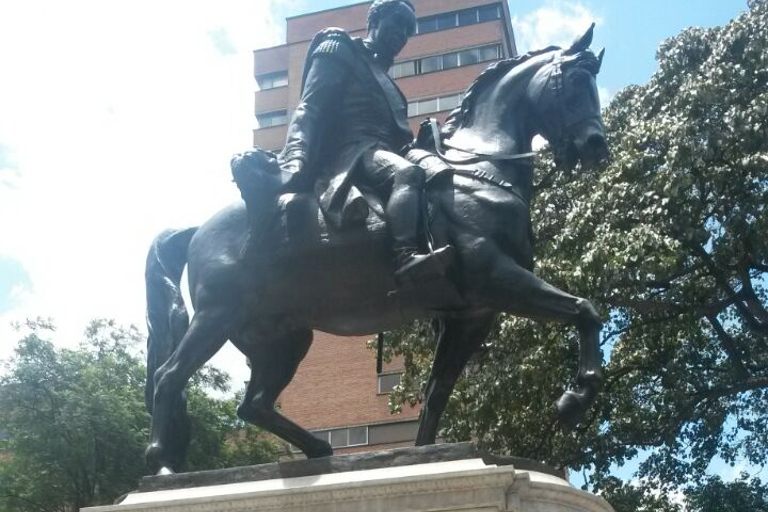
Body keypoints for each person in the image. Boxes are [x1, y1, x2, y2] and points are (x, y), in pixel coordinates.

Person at [278, 0, 453, 285]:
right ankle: (405, 256)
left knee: (445, 174)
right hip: (353, 153)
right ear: (374, 19)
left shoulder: (390, 85)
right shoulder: (340, 47)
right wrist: (295, 154)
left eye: (408, 30)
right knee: (407, 174)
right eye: (397, 22)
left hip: (384, 151)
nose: (402, 34)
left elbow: (399, 139)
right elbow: (310, 106)